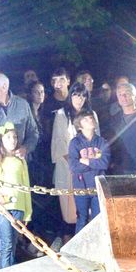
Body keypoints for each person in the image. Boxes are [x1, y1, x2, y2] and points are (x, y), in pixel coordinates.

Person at [0, 126, 31, 271]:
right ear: (2, 140)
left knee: (13, 242)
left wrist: (28, 213)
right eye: (8, 137)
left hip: (18, 206)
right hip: (1, 207)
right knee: (6, 243)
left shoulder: (20, 161)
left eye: (14, 137)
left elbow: (26, 187)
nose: (12, 140)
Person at [49, 82, 92, 232]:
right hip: (69, 169)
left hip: (88, 169)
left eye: (82, 95)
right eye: (76, 95)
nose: (79, 99)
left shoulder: (91, 115)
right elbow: (59, 144)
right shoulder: (62, 115)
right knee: (71, 214)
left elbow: (97, 140)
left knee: (89, 212)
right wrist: (76, 164)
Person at [0, 72, 40, 159]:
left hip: (20, 165)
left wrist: (26, 148)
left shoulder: (22, 105)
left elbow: (33, 132)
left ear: (4, 87)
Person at [68, 112, 109, 232]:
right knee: (82, 218)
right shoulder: (75, 143)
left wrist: (85, 161)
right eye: (85, 119)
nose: (90, 120)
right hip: (80, 186)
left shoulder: (102, 142)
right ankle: (79, 248)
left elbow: (104, 163)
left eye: (91, 118)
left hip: (97, 186)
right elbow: (73, 166)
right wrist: (94, 163)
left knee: (98, 219)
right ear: (79, 125)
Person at [105, 81, 136, 175]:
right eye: (120, 95)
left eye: (127, 93)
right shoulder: (115, 120)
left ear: (135, 96)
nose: (123, 97)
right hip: (119, 170)